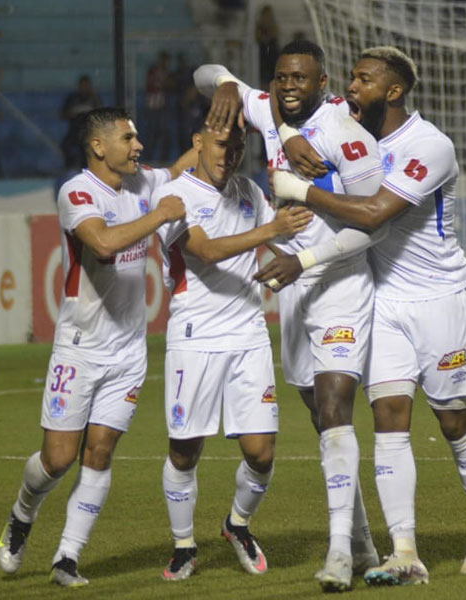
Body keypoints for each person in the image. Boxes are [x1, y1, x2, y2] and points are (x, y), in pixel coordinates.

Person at [259, 46, 466, 585]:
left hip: (440, 298)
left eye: (364, 80)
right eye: (351, 77)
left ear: (393, 91)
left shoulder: (429, 146)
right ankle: (405, 551)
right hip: (383, 299)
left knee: (453, 419)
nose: (352, 86)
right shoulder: (349, 134)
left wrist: (302, 191)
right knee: (389, 419)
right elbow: (273, 98)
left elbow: (374, 215)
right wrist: (286, 130)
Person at [194, 39, 385, 592]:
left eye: (300, 78)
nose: (289, 87)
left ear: (322, 83)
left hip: (340, 283)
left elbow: (371, 226)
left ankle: (338, 553)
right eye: (281, 77)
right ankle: (362, 542)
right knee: (322, 419)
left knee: (335, 409)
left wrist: (304, 260)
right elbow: (205, 73)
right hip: (293, 291)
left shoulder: (348, 136)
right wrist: (226, 82)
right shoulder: (268, 109)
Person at [0, 107, 197, 588]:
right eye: (128, 138)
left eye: (137, 137)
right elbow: (103, 244)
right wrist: (159, 215)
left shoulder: (142, 182)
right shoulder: (77, 192)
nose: (138, 145)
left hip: (128, 352)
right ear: (98, 146)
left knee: (100, 451)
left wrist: (213, 135)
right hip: (80, 348)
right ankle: (22, 513)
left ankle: (67, 557)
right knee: (58, 459)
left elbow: (177, 170)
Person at [152, 120, 312, 581]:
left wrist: (296, 244)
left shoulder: (248, 192)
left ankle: (237, 524)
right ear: (198, 142)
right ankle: (184, 545)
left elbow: (281, 237)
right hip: (195, 335)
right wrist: (270, 230)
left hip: (248, 333)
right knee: (185, 451)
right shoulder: (174, 197)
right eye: (222, 144)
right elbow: (205, 251)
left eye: (238, 148)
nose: (229, 155)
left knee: (261, 453)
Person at [61, 75, 103, 169]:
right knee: (66, 146)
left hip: (89, 132)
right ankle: (70, 168)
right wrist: (73, 113)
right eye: (82, 86)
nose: (84, 88)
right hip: (74, 131)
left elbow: (102, 116)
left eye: (86, 86)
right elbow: (63, 114)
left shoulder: (94, 98)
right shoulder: (72, 99)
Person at [144, 51, 173, 163]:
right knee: (152, 134)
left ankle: (163, 159)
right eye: (163, 60)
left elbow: (170, 85)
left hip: (163, 107)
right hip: (152, 107)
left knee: (164, 135)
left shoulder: (167, 72)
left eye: (166, 60)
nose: (165, 62)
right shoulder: (154, 71)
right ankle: (148, 159)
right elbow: (152, 85)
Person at [254, 5, 280, 88]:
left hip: (272, 54)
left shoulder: (274, 27)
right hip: (263, 55)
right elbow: (258, 38)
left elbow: (275, 36)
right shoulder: (259, 27)